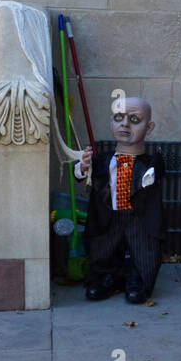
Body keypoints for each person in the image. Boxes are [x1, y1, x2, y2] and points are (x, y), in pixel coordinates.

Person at [76, 97, 164, 304]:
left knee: (144, 250)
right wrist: (82, 166)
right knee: (103, 248)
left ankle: (139, 279)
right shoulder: (103, 160)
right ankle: (107, 277)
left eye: (134, 119)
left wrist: (148, 176)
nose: (124, 124)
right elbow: (80, 174)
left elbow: (155, 173)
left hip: (138, 218)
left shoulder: (152, 162)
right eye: (118, 118)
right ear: (111, 122)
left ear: (149, 127)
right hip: (109, 216)